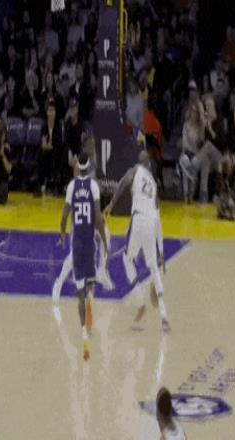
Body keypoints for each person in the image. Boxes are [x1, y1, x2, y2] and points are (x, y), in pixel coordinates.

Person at [104, 150, 170, 333]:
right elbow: (158, 220)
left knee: (127, 259)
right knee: (154, 268)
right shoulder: (154, 184)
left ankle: (140, 302)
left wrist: (111, 204)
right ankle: (164, 316)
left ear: (139, 162)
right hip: (151, 223)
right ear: (149, 164)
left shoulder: (135, 171)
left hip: (138, 219)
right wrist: (161, 251)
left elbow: (122, 183)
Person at [59, 152, 109, 361]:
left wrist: (62, 233)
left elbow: (64, 215)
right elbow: (97, 217)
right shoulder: (94, 186)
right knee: (90, 281)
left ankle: (84, 336)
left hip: (77, 242)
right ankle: (90, 296)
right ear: (89, 167)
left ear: (77, 167)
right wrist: (104, 239)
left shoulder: (71, 187)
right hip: (89, 242)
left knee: (78, 291)